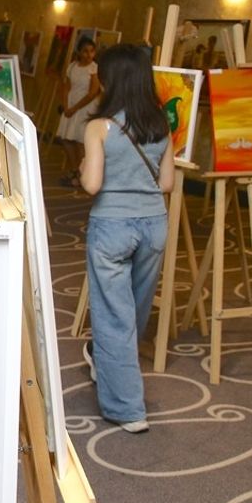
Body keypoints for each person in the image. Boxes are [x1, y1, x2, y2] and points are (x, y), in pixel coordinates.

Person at [79, 44, 174, 435]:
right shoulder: (161, 126)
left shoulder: (99, 127)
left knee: (114, 316)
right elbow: (166, 183)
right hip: (154, 224)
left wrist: (86, 164)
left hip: (112, 227)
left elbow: (91, 185)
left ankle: (127, 408)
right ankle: (108, 363)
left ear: (108, 79)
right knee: (133, 310)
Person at [56, 37, 101, 188]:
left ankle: (83, 173)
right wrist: (66, 105)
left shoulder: (94, 68)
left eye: (91, 51)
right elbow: (66, 87)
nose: (89, 55)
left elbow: (93, 92)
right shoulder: (72, 67)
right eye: (85, 51)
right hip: (71, 107)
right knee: (66, 138)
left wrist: (75, 108)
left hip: (85, 108)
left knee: (80, 141)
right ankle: (75, 169)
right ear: (79, 52)